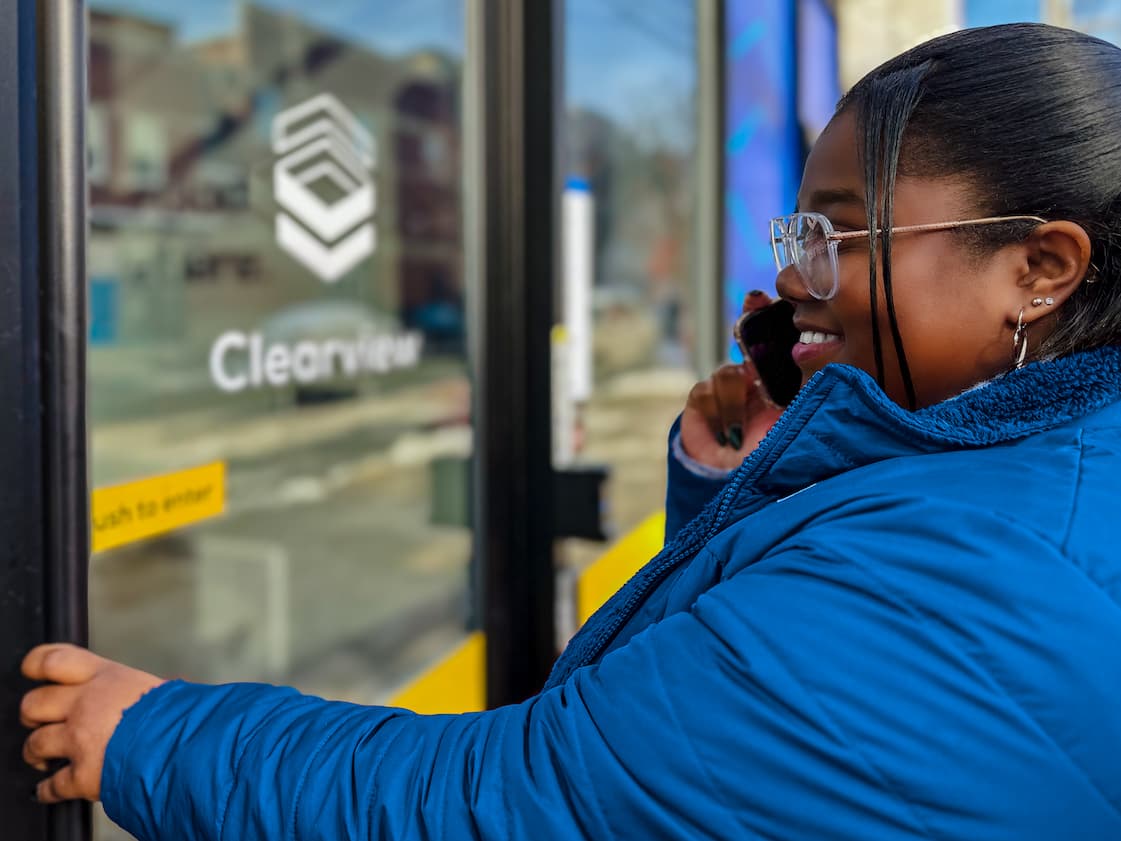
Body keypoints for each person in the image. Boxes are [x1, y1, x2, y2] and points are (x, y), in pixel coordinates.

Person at [19, 22, 1121, 839]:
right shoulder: (1039, 475)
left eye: (833, 232)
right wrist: (753, 475)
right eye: (798, 229)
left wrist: (149, 734)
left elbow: (515, 801)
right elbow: (733, 699)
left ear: (1037, 269)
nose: (791, 274)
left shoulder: (953, 587)